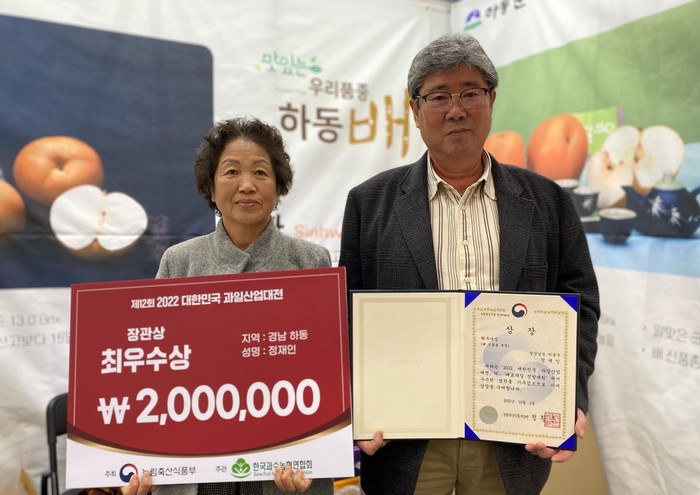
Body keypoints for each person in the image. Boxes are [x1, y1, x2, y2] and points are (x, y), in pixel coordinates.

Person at [338, 33, 600, 495]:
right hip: (407, 441)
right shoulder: (369, 203)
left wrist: (569, 397)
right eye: (439, 96)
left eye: (470, 93)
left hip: (512, 437)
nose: (456, 109)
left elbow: (582, 308)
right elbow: (347, 318)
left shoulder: (549, 202)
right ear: (415, 110)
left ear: (491, 100)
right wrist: (354, 410)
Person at [121, 117, 334, 495]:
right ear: (211, 185)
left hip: (283, 463)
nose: (247, 185)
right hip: (197, 464)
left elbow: (324, 368)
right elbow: (153, 370)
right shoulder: (179, 262)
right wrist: (140, 462)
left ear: (279, 186)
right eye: (232, 171)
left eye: (261, 172)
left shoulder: (310, 260)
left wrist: (312, 453)